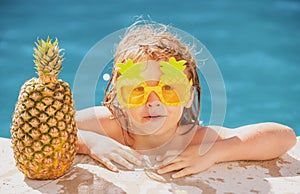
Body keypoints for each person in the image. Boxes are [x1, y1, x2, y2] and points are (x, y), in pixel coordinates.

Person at [76, 20, 297, 179]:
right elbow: (44, 127)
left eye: (169, 90)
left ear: (188, 96)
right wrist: (90, 142)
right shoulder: (108, 125)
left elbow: (284, 137)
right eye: (137, 91)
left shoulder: (194, 140)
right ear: (120, 97)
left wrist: (213, 154)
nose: (153, 101)